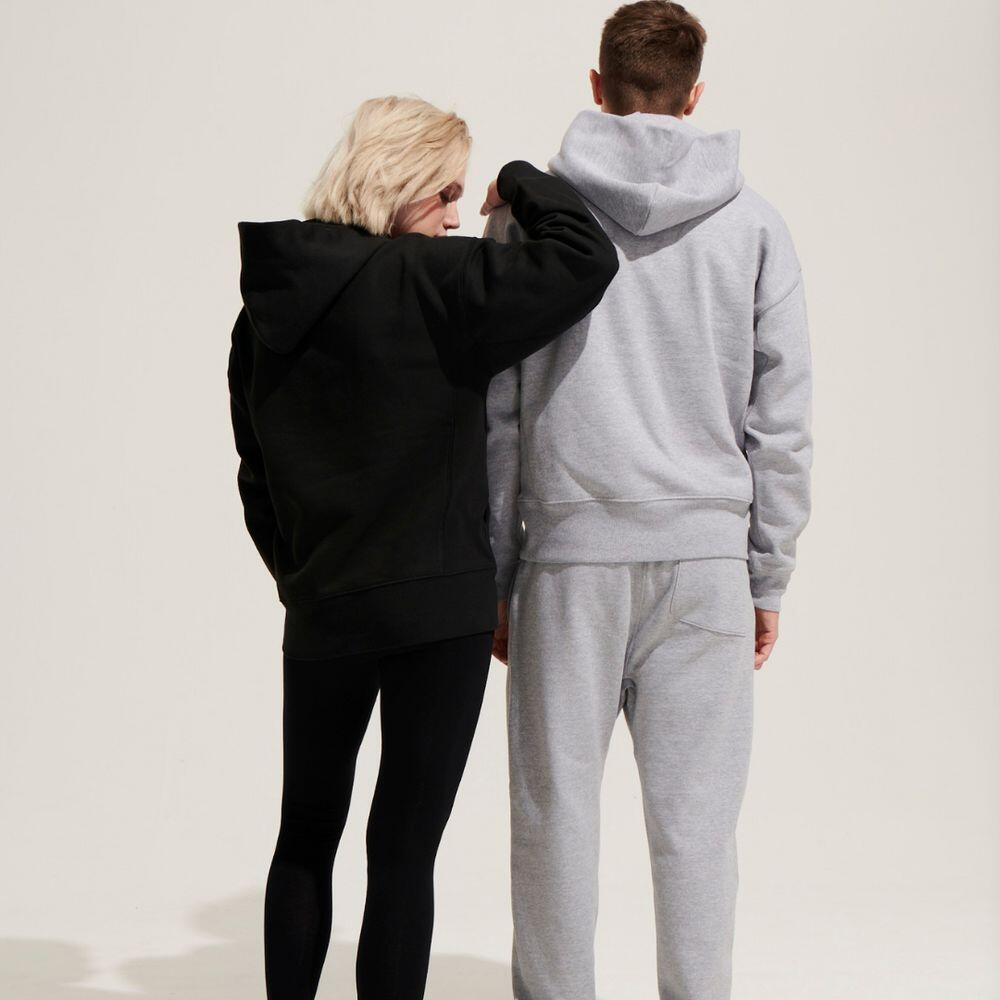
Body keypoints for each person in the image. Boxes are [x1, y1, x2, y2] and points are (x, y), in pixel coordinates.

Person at [226, 95, 618, 1000]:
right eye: (444, 191)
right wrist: (518, 180)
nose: (455, 213)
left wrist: (302, 575)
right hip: (439, 610)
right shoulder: (441, 281)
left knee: (305, 833)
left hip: (324, 607)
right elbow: (584, 258)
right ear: (397, 181)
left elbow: (255, 471)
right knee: (403, 849)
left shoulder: (269, 304)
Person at [484, 3, 812, 998]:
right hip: (706, 564)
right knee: (698, 829)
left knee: (554, 818)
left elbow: (498, 411)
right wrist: (765, 574)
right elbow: (781, 420)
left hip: (569, 562)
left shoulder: (529, 219)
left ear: (597, 87)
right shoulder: (754, 224)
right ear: (693, 96)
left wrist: (498, 569)